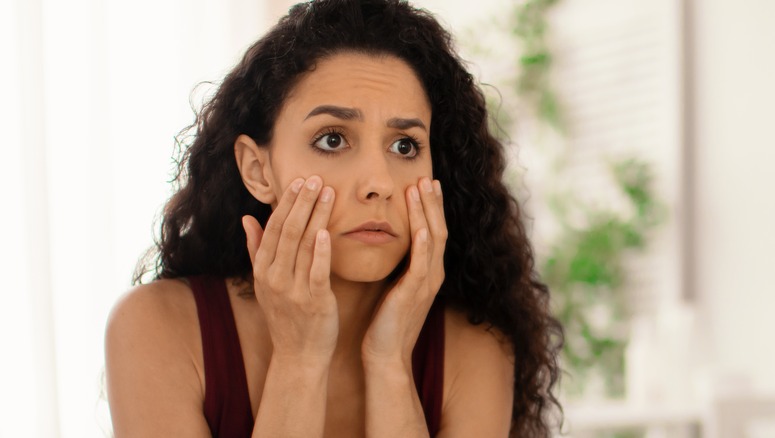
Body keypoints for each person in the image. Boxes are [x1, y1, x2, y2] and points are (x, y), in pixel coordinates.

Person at [105, 0, 562, 436]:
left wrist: (390, 364)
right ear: (257, 170)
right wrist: (299, 358)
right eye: (332, 140)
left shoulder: (476, 350)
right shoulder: (157, 329)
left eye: (405, 145)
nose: (378, 183)